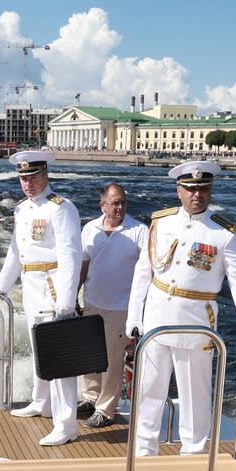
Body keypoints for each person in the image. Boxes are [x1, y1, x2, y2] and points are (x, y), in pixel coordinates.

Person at [125, 160, 236, 456]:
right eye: (190, 189)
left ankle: (192, 452)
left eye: (203, 189)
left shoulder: (225, 233)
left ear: (211, 190)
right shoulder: (161, 222)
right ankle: (143, 450)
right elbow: (143, 273)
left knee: (195, 394)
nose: (197, 195)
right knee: (149, 389)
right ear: (179, 191)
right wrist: (133, 318)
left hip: (196, 321)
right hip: (156, 317)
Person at [0, 149, 82, 446]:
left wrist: (67, 299)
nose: (28, 183)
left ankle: (66, 423)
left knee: (58, 357)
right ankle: (41, 401)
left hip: (53, 288)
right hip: (31, 288)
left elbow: (71, 255)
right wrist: (2, 284)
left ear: (45, 175)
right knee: (38, 350)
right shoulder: (22, 209)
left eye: (33, 177)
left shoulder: (61, 208)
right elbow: (17, 251)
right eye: (23, 178)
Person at [75, 182, 147, 429]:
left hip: (121, 306)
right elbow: (83, 264)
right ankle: (90, 397)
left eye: (123, 202)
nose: (120, 207)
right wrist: (74, 295)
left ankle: (106, 410)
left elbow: (147, 272)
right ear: (102, 205)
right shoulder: (89, 229)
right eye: (115, 203)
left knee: (114, 359)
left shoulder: (139, 231)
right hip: (92, 300)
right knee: (89, 353)